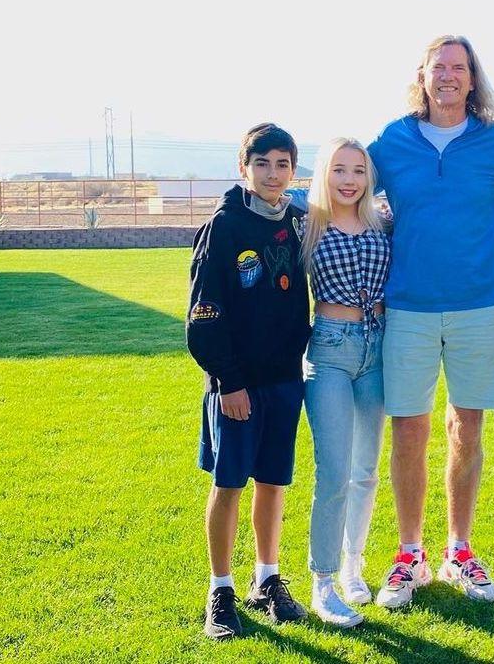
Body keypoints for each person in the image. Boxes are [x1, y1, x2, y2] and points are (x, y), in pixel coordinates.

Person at [366, 35, 494, 609]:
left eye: (459, 68)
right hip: (407, 307)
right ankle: (410, 555)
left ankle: (460, 550)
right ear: (423, 77)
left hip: (480, 306)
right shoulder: (394, 140)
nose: (449, 76)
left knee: (468, 428)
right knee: (408, 430)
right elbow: (346, 186)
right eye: (439, 68)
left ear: (472, 79)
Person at [186, 123, 311, 640]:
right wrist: (228, 381)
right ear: (244, 168)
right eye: (262, 163)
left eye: (283, 164)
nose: (273, 174)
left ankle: (268, 579)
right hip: (238, 385)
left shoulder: (297, 220)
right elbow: (203, 315)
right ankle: (220, 589)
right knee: (229, 483)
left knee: (273, 482)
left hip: (285, 379)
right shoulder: (225, 224)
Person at [300, 138, 391, 628]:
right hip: (330, 349)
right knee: (333, 471)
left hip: (378, 349)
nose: (349, 180)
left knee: (366, 470)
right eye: (339, 170)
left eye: (358, 170)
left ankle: (356, 566)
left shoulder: (383, 221)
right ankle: (324, 581)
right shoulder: (307, 222)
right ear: (325, 173)